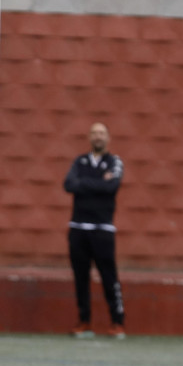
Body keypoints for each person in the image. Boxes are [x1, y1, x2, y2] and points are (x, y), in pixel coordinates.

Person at [63, 122, 125, 339]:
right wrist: (98, 183)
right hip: (78, 227)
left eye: (102, 133)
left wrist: (85, 184)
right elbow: (69, 184)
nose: (98, 137)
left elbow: (112, 187)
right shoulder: (79, 161)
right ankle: (84, 321)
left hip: (103, 229)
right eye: (94, 133)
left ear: (108, 137)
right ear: (89, 137)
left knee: (109, 276)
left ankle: (117, 322)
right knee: (80, 277)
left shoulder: (115, 162)